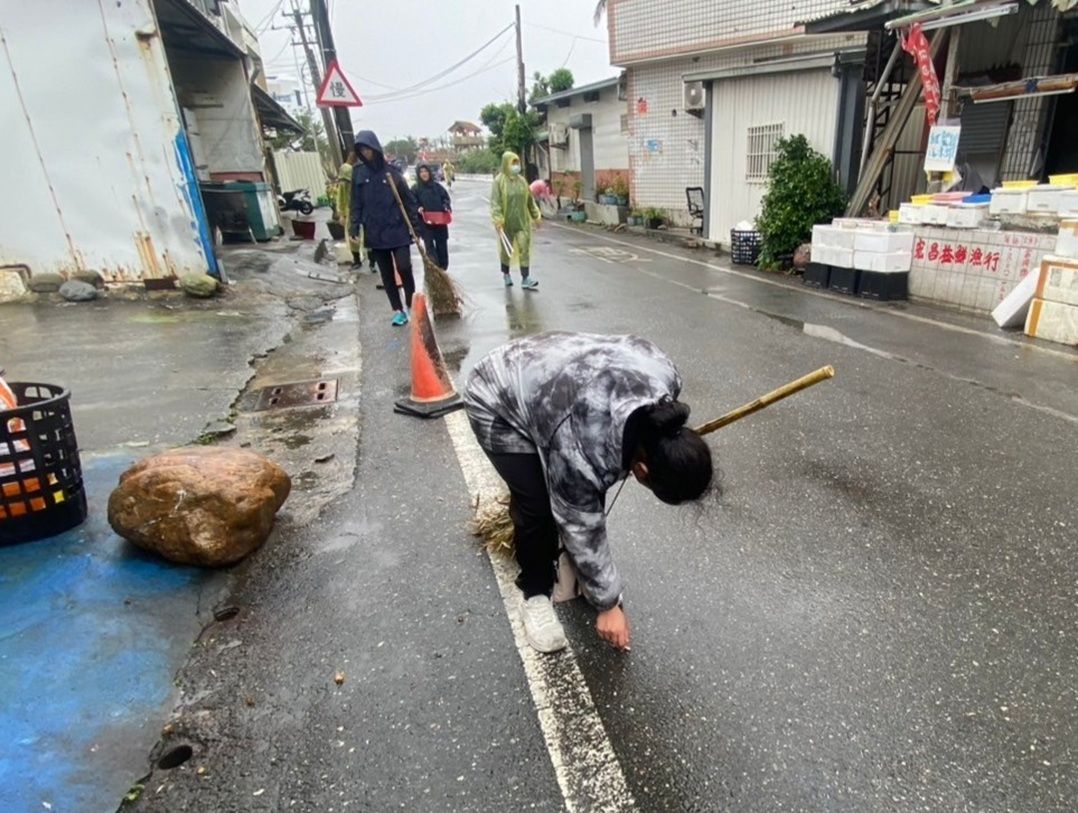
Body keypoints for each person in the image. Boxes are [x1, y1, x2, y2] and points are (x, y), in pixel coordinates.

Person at [464, 332, 714, 654]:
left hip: (551, 371)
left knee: (587, 480)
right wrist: (608, 604)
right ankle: (535, 593)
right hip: (497, 394)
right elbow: (581, 520)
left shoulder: (667, 382)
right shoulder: (581, 443)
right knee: (538, 508)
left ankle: (580, 568)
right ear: (642, 472)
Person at [351, 130, 423, 326]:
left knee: (404, 267)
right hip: (375, 232)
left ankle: (410, 303)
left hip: (397, 230)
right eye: (362, 150)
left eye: (368, 148)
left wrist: (416, 229)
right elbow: (355, 203)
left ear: (375, 148)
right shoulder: (358, 174)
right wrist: (354, 227)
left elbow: (408, 202)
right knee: (387, 275)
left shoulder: (392, 173)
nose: (365, 153)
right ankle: (398, 310)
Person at [490, 151, 541, 290]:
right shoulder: (499, 181)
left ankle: (525, 278)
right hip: (506, 223)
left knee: (524, 248)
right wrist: (498, 219)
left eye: (517, 163)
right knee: (506, 250)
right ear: (506, 163)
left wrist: (536, 216)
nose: (516, 166)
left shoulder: (522, 181)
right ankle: (506, 274)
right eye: (513, 163)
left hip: (522, 222)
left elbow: (530, 201)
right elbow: (495, 203)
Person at [412, 162, 452, 271]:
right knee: (430, 248)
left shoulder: (437, 187)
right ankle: (435, 270)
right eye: (421, 172)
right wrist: (418, 208)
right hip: (425, 223)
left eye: (426, 171)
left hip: (439, 221)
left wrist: (446, 206)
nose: (424, 174)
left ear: (429, 173)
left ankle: (443, 269)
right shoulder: (416, 189)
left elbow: (445, 198)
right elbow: (412, 203)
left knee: (442, 246)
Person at [335, 153, 365, 270]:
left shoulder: (356, 172)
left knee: (356, 236)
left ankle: (359, 260)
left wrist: (341, 212)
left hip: (354, 210)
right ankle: (361, 260)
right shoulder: (349, 174)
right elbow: (341, 196)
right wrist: (342, 213)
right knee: (356, 236)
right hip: (352, 210)